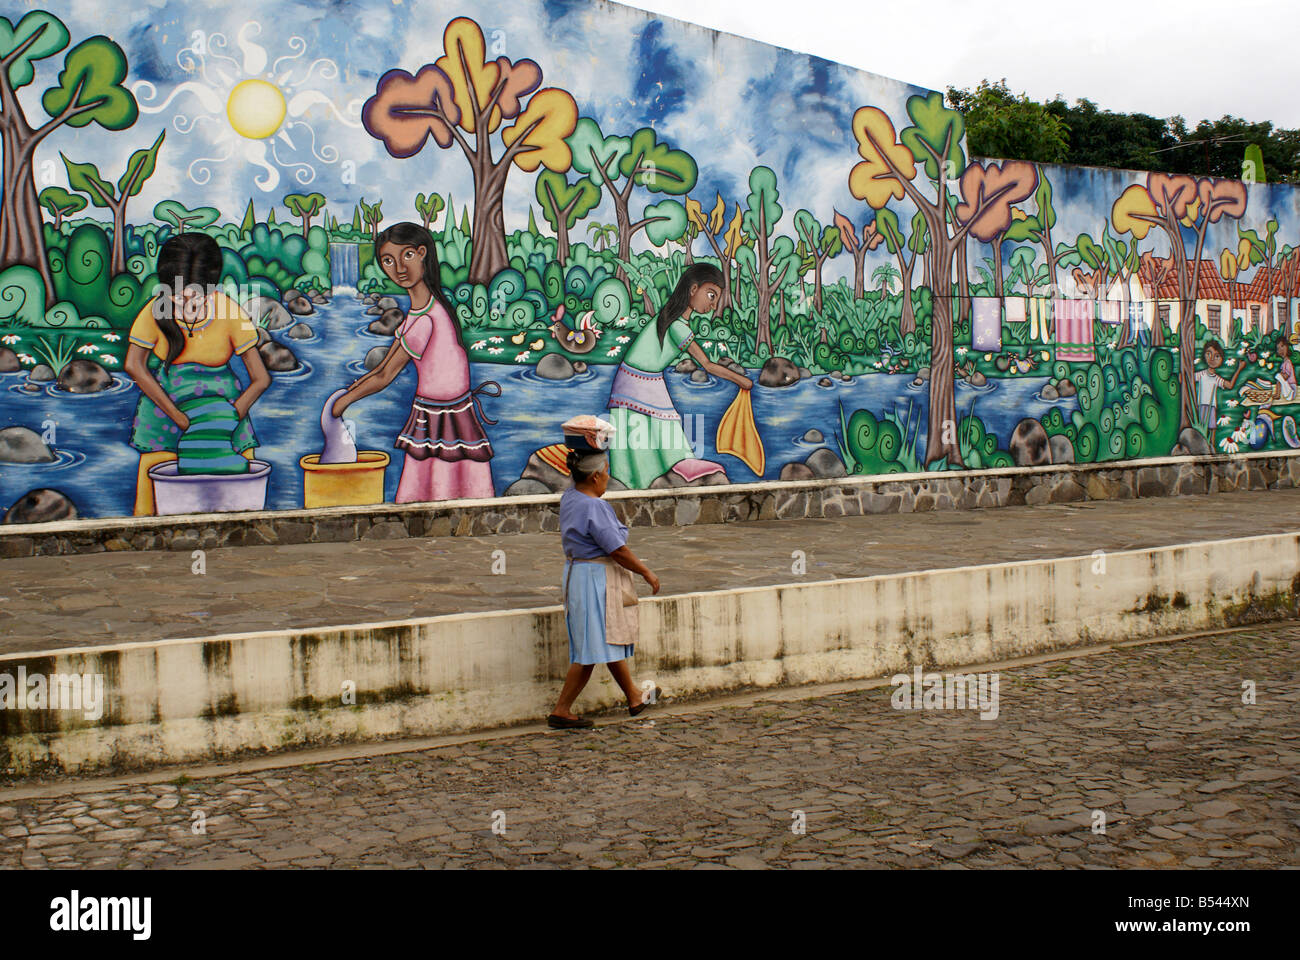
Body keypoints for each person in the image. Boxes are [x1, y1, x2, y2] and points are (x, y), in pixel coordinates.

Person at [332, 222, 498, 501]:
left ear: (423, 253)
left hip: (444, 414)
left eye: (407, 255)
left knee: (437, 486)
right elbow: (381, 367)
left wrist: (341, 404)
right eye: (388, 260)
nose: (398, 268)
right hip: (437, 411)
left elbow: (385, 377)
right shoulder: (422, 311)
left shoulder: (425, 320)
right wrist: (354, 389)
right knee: (437, 484)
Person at [123, 234, 270, 516]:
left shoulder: (228, 310)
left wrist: (229, 416)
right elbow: (134, 365)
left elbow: (261, 378)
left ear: (211, 286)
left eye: (195, 294)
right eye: (178, 293)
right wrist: (176, 416)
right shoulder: (155, 311)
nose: (186, 301)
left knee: (241, 490)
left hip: (225, 411)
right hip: (164, 411)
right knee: (150, 496)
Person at [549, 418, 660, 730]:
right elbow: (618, 550)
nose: (608, 478)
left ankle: (635, 696)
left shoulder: (572, 498)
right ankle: (561, 710)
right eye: (607, 472)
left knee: (605, 640)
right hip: (594, 581)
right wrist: (647, 573)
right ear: (596, 475)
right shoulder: (596, 507)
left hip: (578, 575)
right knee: (589, 651)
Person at [605, 263, 753, 488]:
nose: (712, 305)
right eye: (711, 295)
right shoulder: (677, 326)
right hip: (639, 383)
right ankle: (654, 479)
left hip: (638, 380)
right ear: (693, 289)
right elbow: (707, 365)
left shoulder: (669, 317)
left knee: (650, 436)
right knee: (655, 434)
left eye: (716, 299)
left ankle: (648, 481)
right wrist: (741, 380)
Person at [1195, 339, 1243, 435]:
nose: (1212, 359)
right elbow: (1186, 378)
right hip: (1201, 405)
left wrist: (1239, 369)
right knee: (1201, 428)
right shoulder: (1201, 374)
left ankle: (1212, 446)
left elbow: (1229, 385)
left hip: (1212, 406)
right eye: (1209, 354)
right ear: (1204, 355)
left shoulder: (1217, 379)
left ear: (1221, 359)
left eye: (1216, 356)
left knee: (1212, 428)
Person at [1272, 336, 1296, 402]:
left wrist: (1280, 376)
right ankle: (1277, 394)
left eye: (1282, 346)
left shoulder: (1288, 363)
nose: (1280, 350)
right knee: (1278, 377)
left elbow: (1286, 376)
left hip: (1291, 390)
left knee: (1278, 376)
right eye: (1278, 348)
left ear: (1287, 346)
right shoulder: (1284, 363)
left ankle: (1279, 394)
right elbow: (1281, 379)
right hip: (1287, 390)